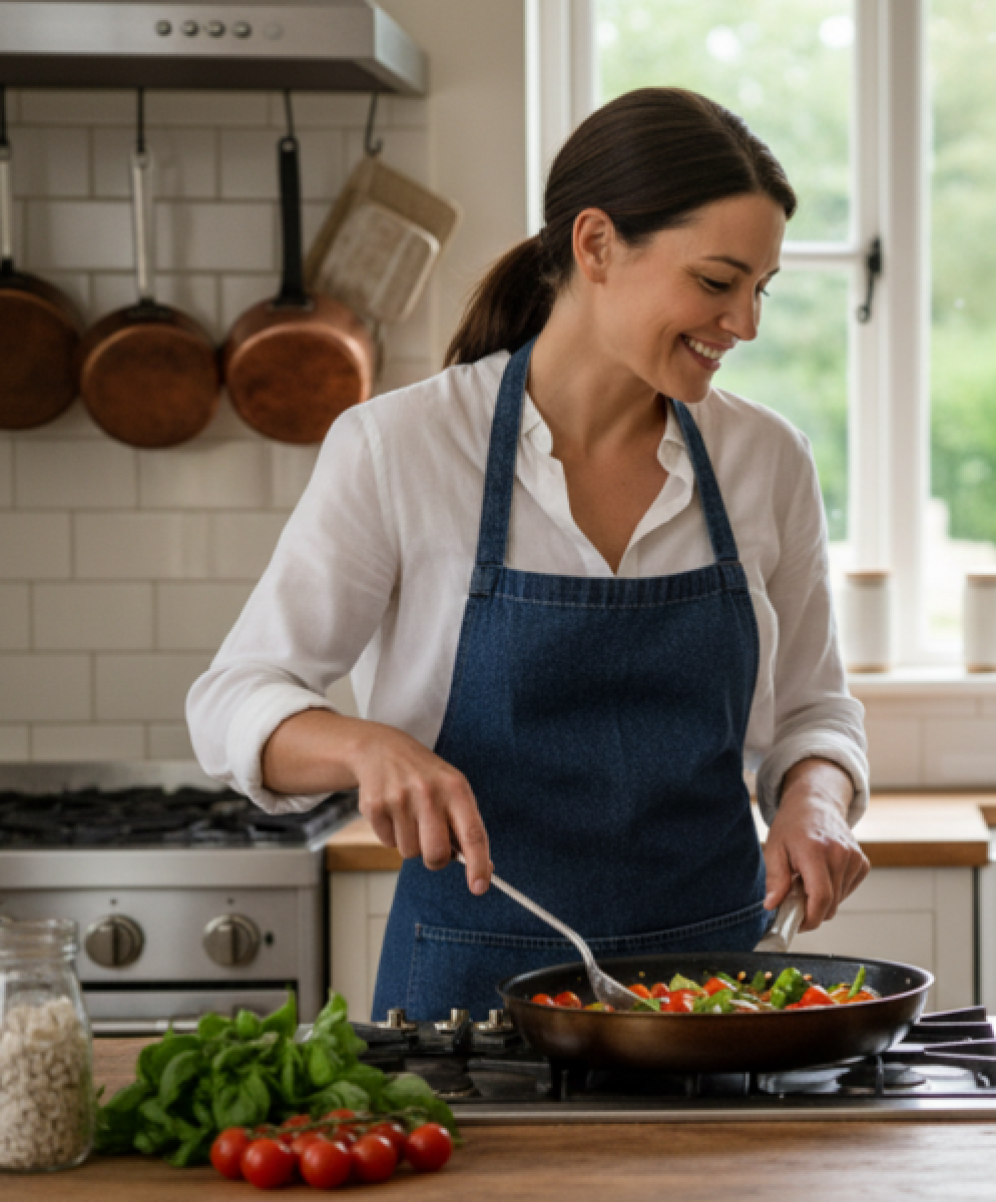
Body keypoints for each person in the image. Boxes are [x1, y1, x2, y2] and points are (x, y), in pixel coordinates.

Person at [187, 88, 870, 1021]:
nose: (745, 324)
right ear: (595, 245)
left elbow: (812, 710)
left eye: (762, 288)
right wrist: (366, 747)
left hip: (712, 995)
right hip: (470, 997)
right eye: (717, 282)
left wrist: (815, 801)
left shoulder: (766, 459)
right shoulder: (404, 447)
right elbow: (233, 697)